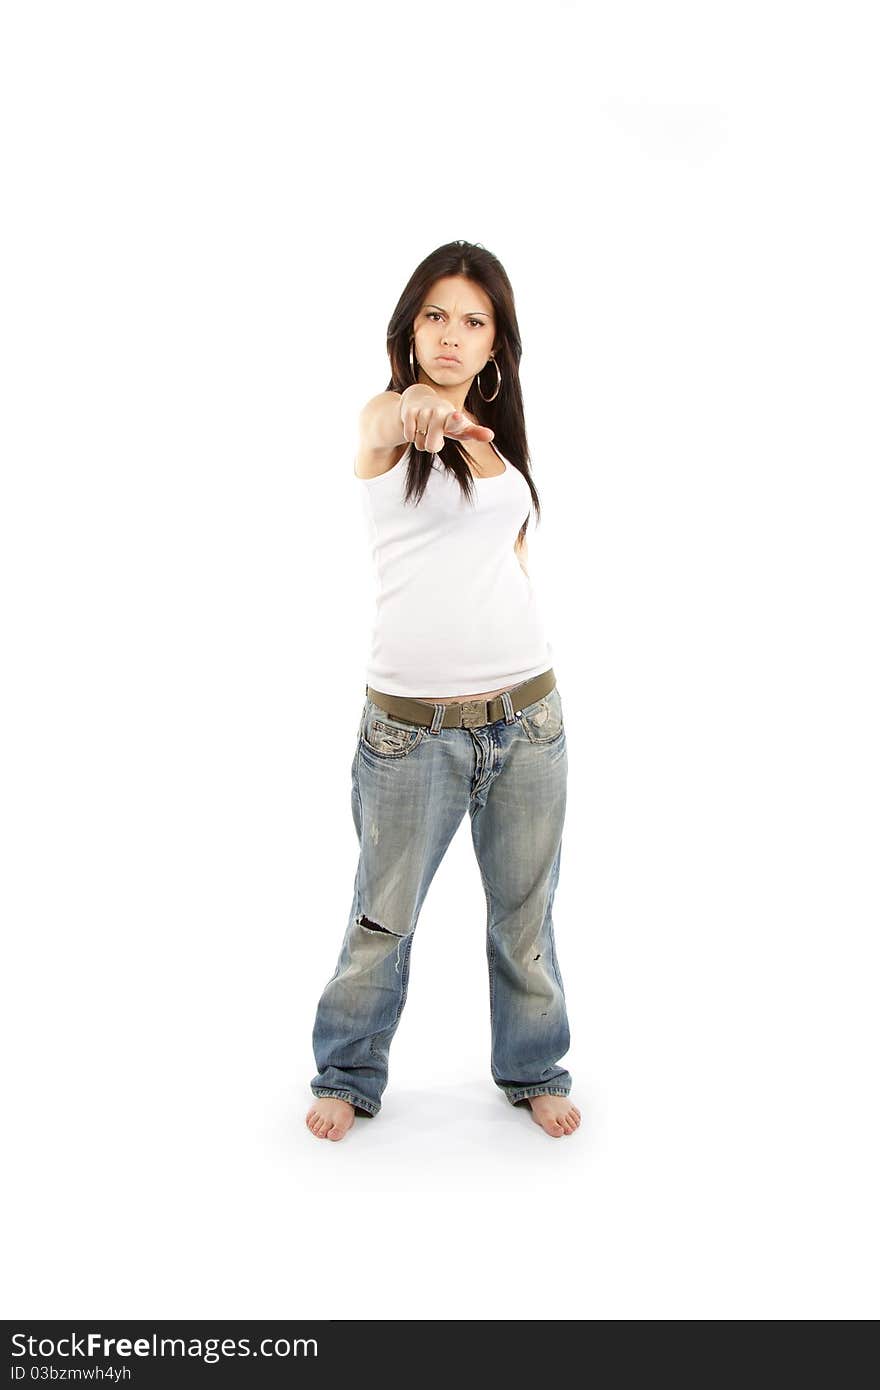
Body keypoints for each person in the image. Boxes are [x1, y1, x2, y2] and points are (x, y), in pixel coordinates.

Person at [306, 240, 580, 1142]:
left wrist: (466, 432)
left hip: (528, 719)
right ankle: (347, 1073)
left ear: (496, 344)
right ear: (410, 328)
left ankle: (535, 1067)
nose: (452, 336)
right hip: (409, 733)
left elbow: (511, 565)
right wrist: (421, 409)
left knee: (525, 920)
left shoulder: (505, 452)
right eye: (435, 316)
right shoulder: (388, 422)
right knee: (380, 921)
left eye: (474, 321)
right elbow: (393, 413)